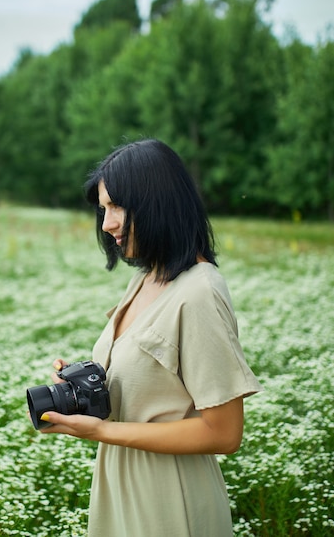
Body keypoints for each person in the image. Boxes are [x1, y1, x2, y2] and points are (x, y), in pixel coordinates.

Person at [38, 139, 262, 537]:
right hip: (119, 484)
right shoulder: (147, 277)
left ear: (157, 201)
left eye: (117, 206)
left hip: (168, 501)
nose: (106, 223)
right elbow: (151, 389)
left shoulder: (199, 292)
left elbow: (224, 433)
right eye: (103, 208)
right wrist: (84, 388)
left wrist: (103, 432)